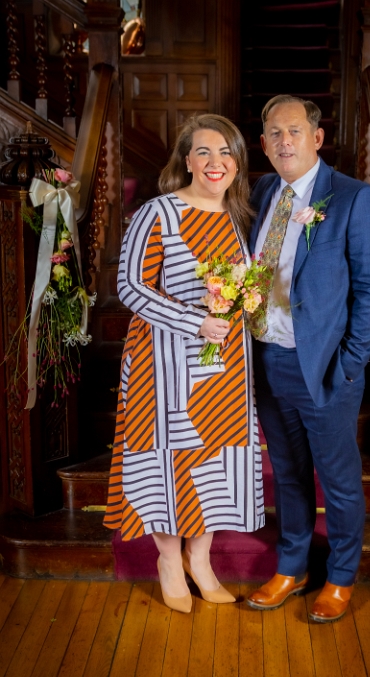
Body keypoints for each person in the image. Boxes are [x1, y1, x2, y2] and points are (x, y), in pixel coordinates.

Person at [104, 114, 264, 613]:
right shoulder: (159, 213)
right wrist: (194, 322)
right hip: (165, 365)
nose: (216, 163)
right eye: (204, 152)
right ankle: (170, 562)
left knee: (214, 459)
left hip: (225, 368)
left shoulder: (236, 217)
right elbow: (129, 287)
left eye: (226, 152)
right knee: (169, 461)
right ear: (187, 160)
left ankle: (201, 560)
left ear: (238, 162)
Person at [246, 95, 370, 622]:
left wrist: (349, 364)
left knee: (338, 479)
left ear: (317, 138)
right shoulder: (263, 190)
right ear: (263, 144)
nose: (284, 141)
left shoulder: (354, 198)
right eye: (274, 134)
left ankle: (341, 576)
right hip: (267, 360)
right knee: (288, 473)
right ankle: (293, 567)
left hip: (326, 368)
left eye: (294, 131)